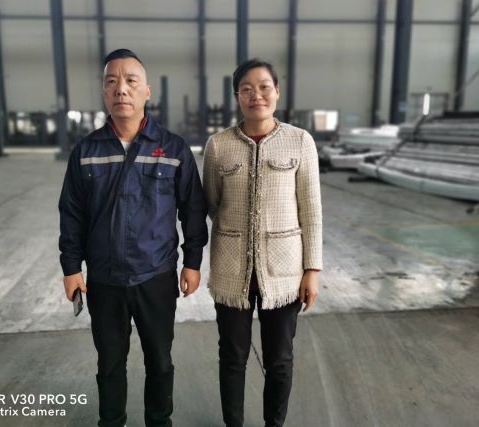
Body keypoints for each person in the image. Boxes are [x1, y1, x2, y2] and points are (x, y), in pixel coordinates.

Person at [58, 48, 208, 427]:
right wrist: (71, 267)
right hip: (105, 279)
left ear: (147, 91)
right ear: (104, 92)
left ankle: (160, 421)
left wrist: (192, 261)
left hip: (155, 276)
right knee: (109, 363)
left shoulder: (173, 148)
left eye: (130, 81)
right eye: (112, 82)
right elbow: (72, 213)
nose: (121, 89)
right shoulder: (86, 151)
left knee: (160, 360)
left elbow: (192, 208)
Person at [203, 58, 322, 427]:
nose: (257, 95)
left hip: (285, 273)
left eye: (264, 87)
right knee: (232, 357)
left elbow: (311, 209)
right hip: (231, 271)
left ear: (277, 92)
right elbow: (211, 203)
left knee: (279, 359)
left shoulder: (300, 141)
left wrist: (312, 269)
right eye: (247, 89)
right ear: (237, 96)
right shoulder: (219, 146)